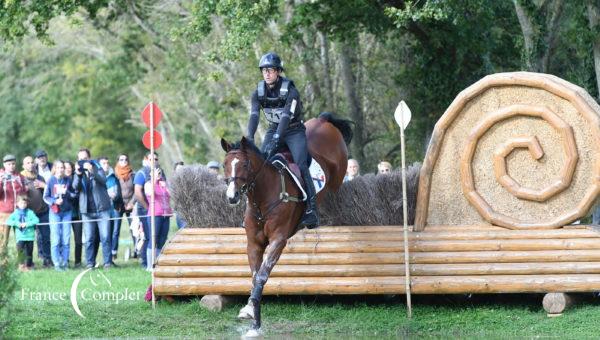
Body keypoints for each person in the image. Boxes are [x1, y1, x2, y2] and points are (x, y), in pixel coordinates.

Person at [245, 52, 319, 229]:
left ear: (278, 71)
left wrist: (278, 138)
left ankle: (312, 210)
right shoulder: (258, 92)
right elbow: (254, 115)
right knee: (262, 164)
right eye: (264, 71)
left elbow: (286, 116)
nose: (267, 74)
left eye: (270, 70)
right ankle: (255, 210)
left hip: (293, 131)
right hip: (273, 130)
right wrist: (249, 136)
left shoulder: (291, 91)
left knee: (301, 165)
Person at [72, 148, 114, 269]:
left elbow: (104, 180)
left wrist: (92, 172)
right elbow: (75, 187)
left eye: (85, 158)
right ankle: (90, 263)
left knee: (105, 237)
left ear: (89, 158)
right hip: (87, 211)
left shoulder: (97, 167)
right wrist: (78, 175)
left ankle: (107, 263)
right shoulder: (78, 172)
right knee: (89, 238)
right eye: (80, 159)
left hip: (102, 209)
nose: (82, 161)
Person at [134, 152, 171, 270]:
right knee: (152, 239)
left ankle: (159, 264)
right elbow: (149, 193)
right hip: (154, 214)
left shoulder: (162, 183)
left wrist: (165, 185)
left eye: (156, 159)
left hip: (165, 215)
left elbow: (169, 195)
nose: (154, 161)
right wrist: (154, 179)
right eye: (151, 159)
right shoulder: (149, 183)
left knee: (162, 240)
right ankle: (150, 266)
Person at [43, 160, 75, 271]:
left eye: (62, 167)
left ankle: (65, 263)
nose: (61, 169)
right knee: (56, 239)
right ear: (55, 169)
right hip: (55, 213)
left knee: (66, 239)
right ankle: (56, 263)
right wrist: (54, 201)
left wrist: (68, 193)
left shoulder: (68, 180)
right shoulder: (50, 181)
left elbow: (74, 194)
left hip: (67, 212)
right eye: (59, 167)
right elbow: (45, 197)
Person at [21, 156, 51, 268]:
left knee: (45, 238)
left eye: (32, 162)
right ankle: (26, 263)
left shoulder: (40, 177)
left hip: (43, 212)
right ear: (23, 166)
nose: (30, 164)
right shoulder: (21, 178)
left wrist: (44, 186)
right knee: (26, 240)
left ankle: (47, 260)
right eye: (27, 163)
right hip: (27, 214)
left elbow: (49, 192)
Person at [5, 195, 39, 271]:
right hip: (20, 237)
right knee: (20, 251)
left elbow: (36, 220)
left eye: (24, 203)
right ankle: (21, 266)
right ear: (17, 204)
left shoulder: (30, 212)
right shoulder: (15, 213)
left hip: (30, 236)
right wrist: (17, 223)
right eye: (21, 203)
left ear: (26, 204)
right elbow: (8, 221)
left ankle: (29, 266)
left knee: (29, 252)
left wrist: (27, 224)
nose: (23, 205)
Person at [0, 154, 26, 251]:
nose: (11, 166)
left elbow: (23, 193)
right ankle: (2, 264)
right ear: (4, 165)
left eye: (13, 164)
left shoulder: (19, 176)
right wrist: (0, 182)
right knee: (3, 240)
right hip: (4, 213)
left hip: (19, 213)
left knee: (21, 239)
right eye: (9, 164)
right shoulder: (0, 175)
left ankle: (22, 264)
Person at [114, 154, 135, 259]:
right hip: (118, 205)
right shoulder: (114, 175)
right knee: (116, 229)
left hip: (131, 205)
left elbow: (137, 190)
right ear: (118, 161)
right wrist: (119, 203)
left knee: (134, 228)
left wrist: (132, 202)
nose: (124, 161)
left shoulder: (133, 174)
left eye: (126, 159)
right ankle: (113, 252)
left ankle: (137, 251)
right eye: (121, 159)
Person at [64, 161, 83, 267]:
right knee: (64, 240)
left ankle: (78, 262)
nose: (67, 169)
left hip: (76, 214)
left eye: (69, 167)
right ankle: (64, 261)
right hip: (64, 214)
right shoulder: (60, 180)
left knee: (78, 240)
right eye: (65, 167)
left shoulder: (76, 178)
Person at [173, 161, 187, 229]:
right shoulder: (173, 182)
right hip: (180, 211)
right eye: (179, 170)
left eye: (183, 169)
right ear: (175, 171)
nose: (181, 171)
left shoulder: (189, 181)